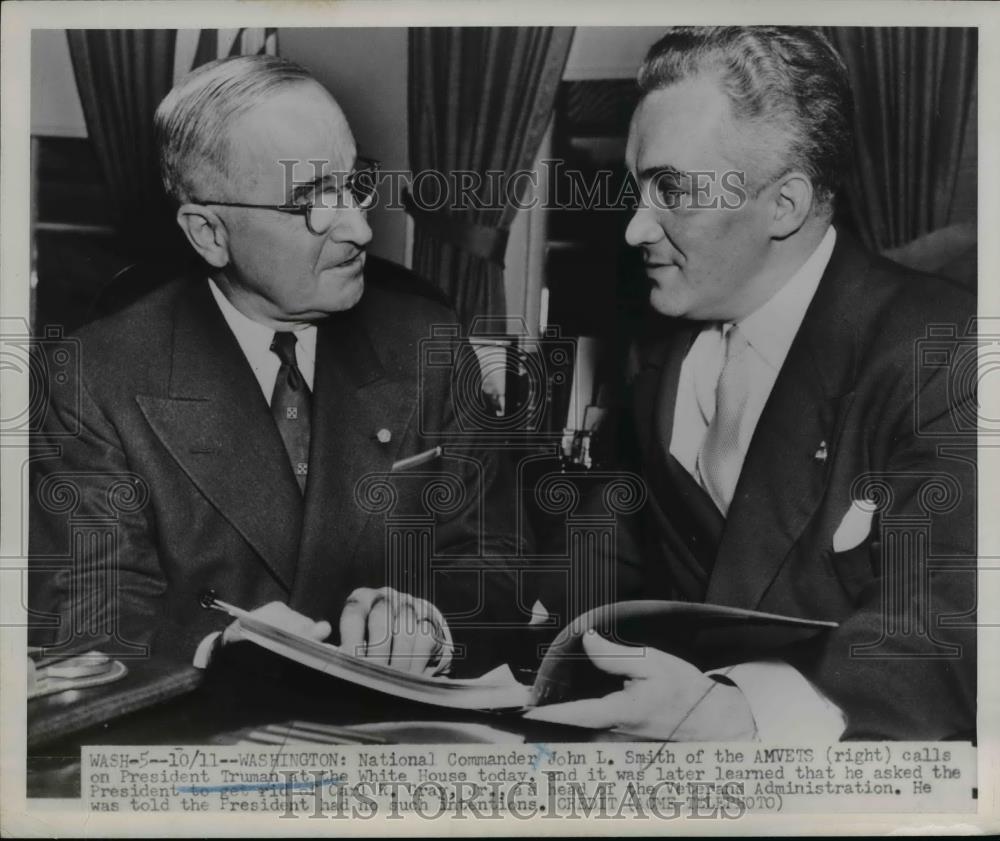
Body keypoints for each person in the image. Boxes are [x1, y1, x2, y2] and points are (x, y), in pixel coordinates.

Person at [526, 26, 976, 740]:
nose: (637, 228)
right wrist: (445, 625)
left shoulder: (945, 350)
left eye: (671, 190)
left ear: (785, 204)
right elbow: (602, 558)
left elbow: (951, 623)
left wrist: (739, 713)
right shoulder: (658, 354)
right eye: (637, 189)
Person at [29, 54, 522, 678]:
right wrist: (214, 655)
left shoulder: (430, 342)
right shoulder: (92, 380)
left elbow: (497, 558)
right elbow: (91, 617)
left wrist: (435, 624)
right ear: (209, 232)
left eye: (354, 184)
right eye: (312, 202)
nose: (359, 229)